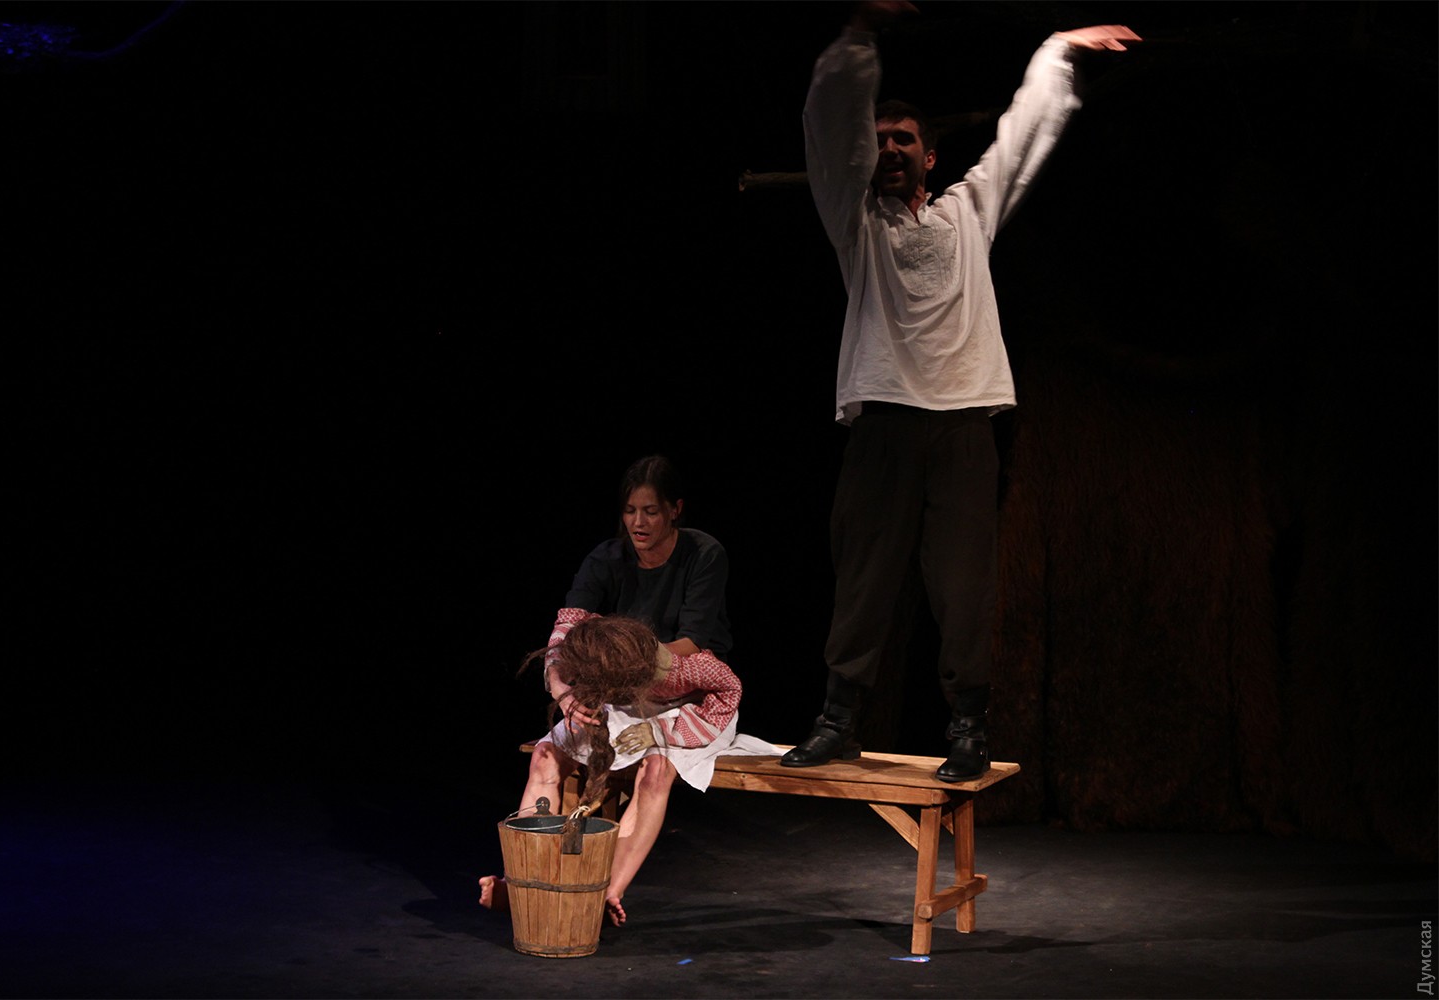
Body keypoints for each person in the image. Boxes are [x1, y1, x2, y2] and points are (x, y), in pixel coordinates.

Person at [781, 2, 1139, 780]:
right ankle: (838, 719)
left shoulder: (969, 214)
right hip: (884, 420)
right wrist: (858, 38)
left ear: (931, 157)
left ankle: (969, 727)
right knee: (865, 578)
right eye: (879, 140)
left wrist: (1056, 52)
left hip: (963, 422)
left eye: (904, 139)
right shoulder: (857, 226)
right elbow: (829, 127)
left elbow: (1021, 138)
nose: (889, 148)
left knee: (963, 583)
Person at [479, 456, 776, 927]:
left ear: (675, 510)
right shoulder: (606, 558)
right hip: (622, 689)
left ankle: (605, 891)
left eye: (651, 511)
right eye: (630, 511)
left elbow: (694, 644)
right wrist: (565, 694)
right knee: (546, 755)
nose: (639, 522)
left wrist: (630, 667)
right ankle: (525, 882)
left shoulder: (703, 554)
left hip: (688, 692)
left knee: (656, 770)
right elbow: (563, 635)